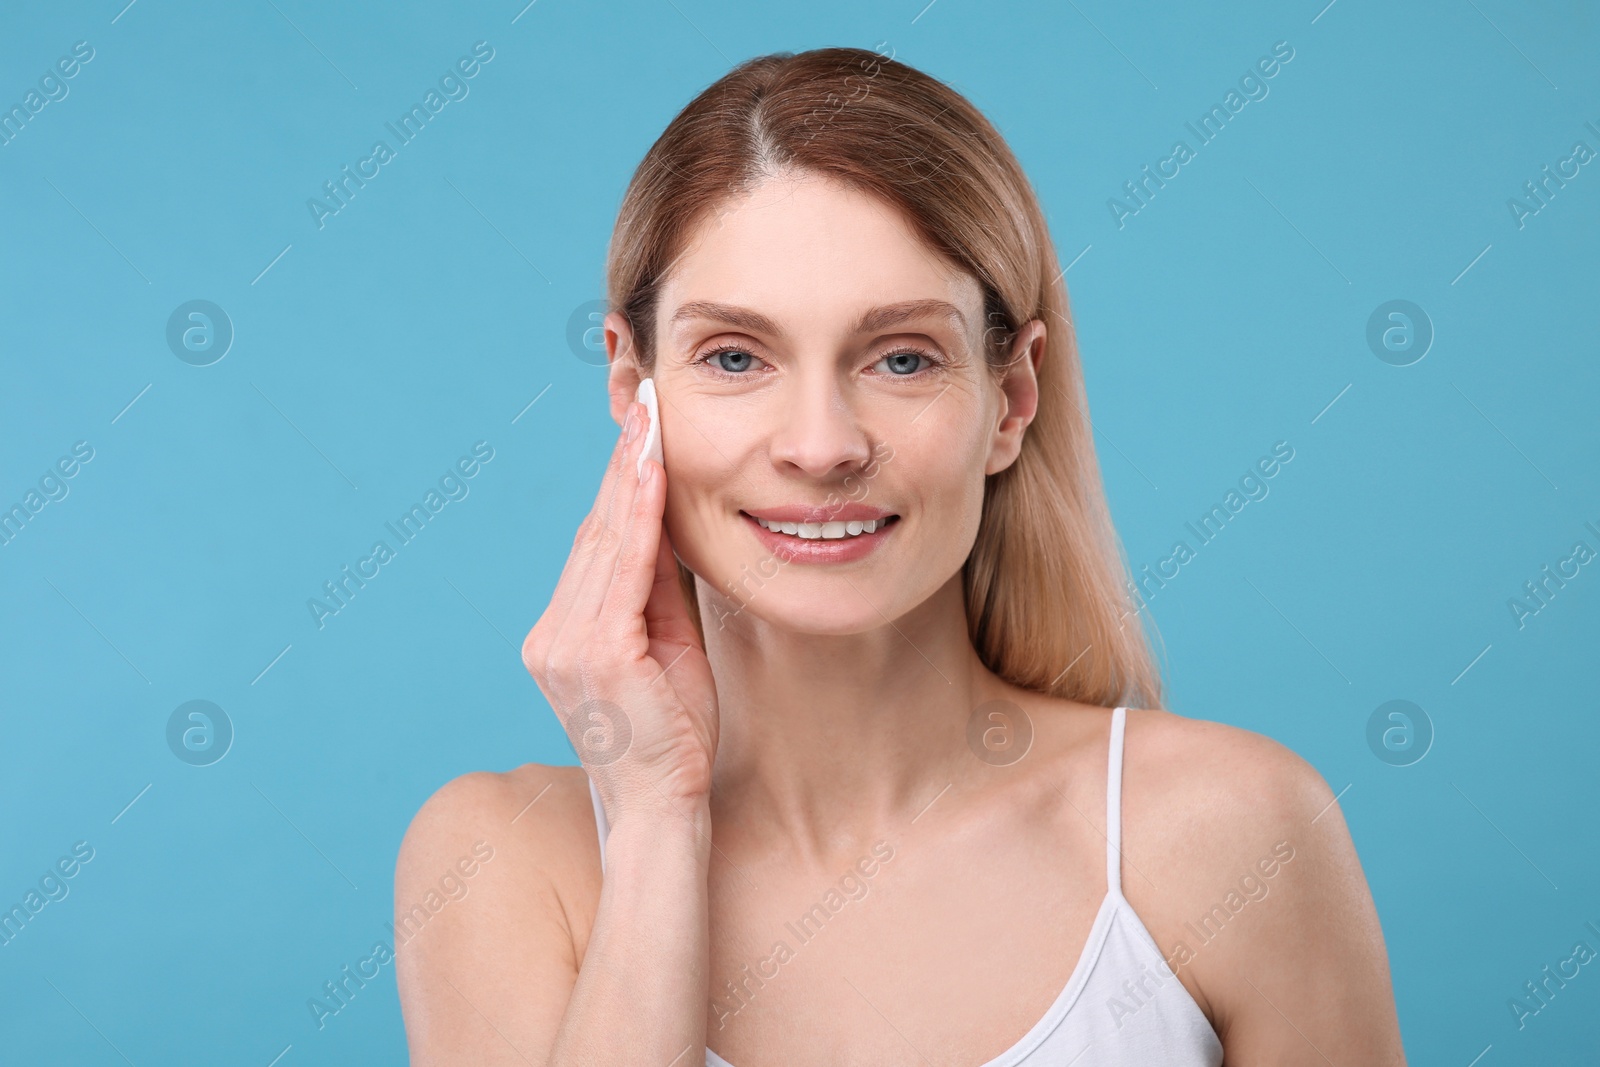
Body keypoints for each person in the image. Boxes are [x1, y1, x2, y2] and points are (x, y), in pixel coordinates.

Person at [395, 46, 1406, 1065]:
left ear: (1011, 399)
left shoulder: (1232, 830)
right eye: (736, 356)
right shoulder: (499, 861)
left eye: (902, 357)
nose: (822, 442)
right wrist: (657, 826)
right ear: (630, 386)